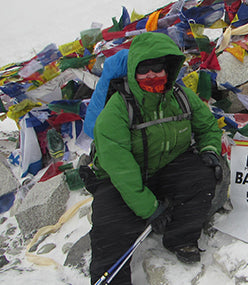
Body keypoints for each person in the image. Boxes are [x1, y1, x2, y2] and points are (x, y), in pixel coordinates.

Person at [88, 32, 223, 285]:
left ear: (169, 69)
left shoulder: (180, 96)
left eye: (158, 68)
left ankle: (180, 238)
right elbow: (120, 168)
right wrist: (150, 209)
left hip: (166, 167)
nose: (151, 75)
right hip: (121, 181)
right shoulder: (117, 110)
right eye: (144, 69)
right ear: (133, 72)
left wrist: (210, 150)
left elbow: (208, 127)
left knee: (203, 176)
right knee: (110, 228)